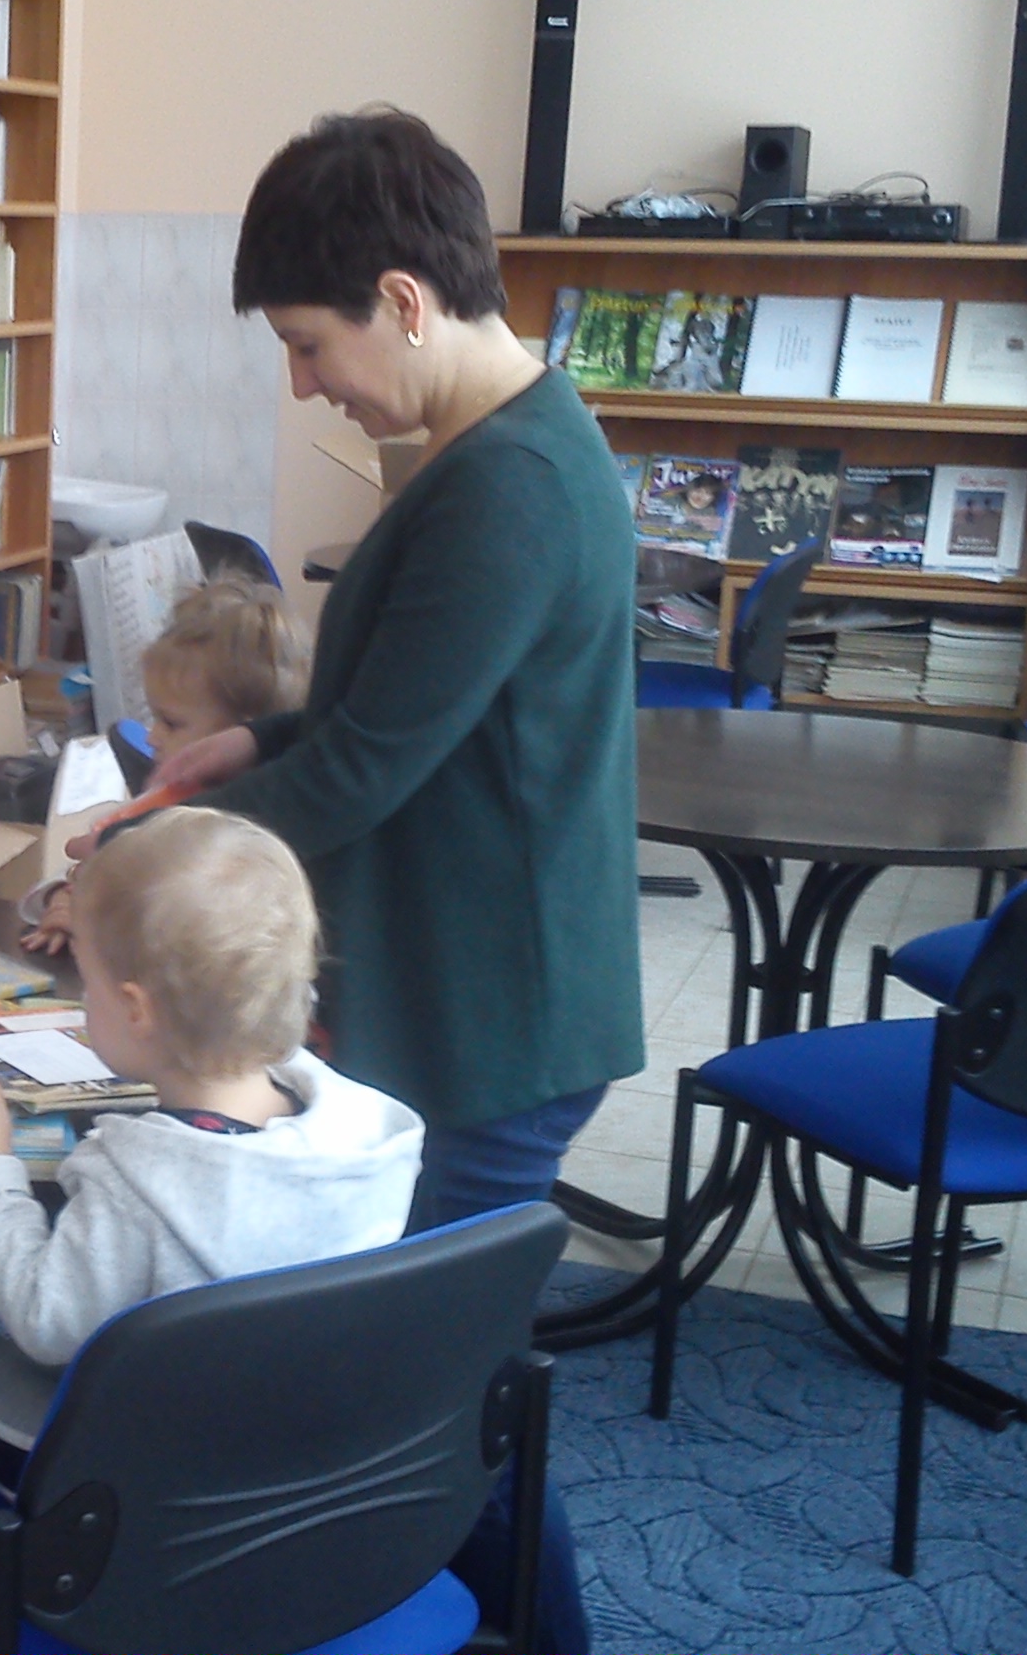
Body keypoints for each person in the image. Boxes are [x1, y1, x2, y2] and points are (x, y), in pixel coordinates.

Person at [131, 109, 637, 1655]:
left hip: (494, 1020)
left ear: (405, 302)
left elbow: (366, 774)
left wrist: (141, 862)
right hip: (474, 992)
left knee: (429, 1405)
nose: (304, 384)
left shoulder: (508, 486)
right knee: (419, 1387)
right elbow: (399, 712)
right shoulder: (490, 449)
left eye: (309, 344)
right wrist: (255, 742)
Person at [0, 806, 423, 1365]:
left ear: (137, 1009)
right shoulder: (365, 1135)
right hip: (310, 1413)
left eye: (89, 981)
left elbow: (45, 1320)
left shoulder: (135, 1188)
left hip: (152, 1421)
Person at [22, 573, 309, 955]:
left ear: (241, 735)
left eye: (172, 723)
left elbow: (188, 946)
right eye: (154, 717)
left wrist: (97, 920)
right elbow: (88, 866)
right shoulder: (162, 801)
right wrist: (61, 894)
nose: (153, 737)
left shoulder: (261, 847)